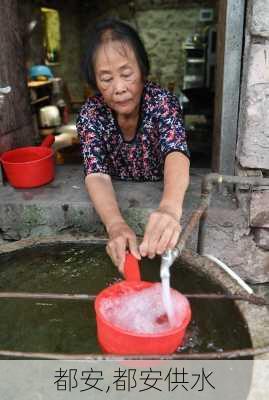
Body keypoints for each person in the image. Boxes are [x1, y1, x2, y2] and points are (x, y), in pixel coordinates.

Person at [77, 19, 190, 273]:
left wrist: (170, 208)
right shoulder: (91, 114)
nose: (119, 88)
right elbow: (95, 173)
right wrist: (116, 225)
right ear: (95, 83)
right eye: (106, 79)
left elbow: (176, 151)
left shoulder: (162, 102)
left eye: (127, 74)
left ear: (142, 70)